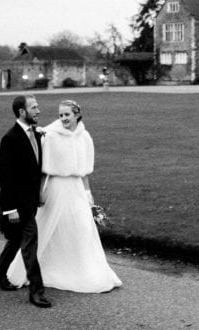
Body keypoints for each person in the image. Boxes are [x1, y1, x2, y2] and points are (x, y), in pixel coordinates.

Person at [6, 99, 121, 293]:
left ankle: (83, 271)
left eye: (67, 114)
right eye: (61, 115)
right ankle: (35, 269)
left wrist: (88, 194)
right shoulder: (50, 135)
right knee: (49, 227)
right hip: (56, 188)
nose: (64, 118)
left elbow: (84, 172)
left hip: (76, 189)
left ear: (77, 115)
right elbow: (44, 170)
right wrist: (40, 192)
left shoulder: (85, 137)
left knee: (82, 228)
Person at [0, 95, 51, 308]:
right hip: (17, 205)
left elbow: (35, 170)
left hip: (30, 201)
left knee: (16, 240)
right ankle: (37, 292)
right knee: (30, 244)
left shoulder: (36, 134)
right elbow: (5, 177)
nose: (38, 110)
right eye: (33, 107)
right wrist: (9, 209)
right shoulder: (10, 139)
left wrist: (39, 194)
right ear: (22, 112)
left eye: (37, 106)